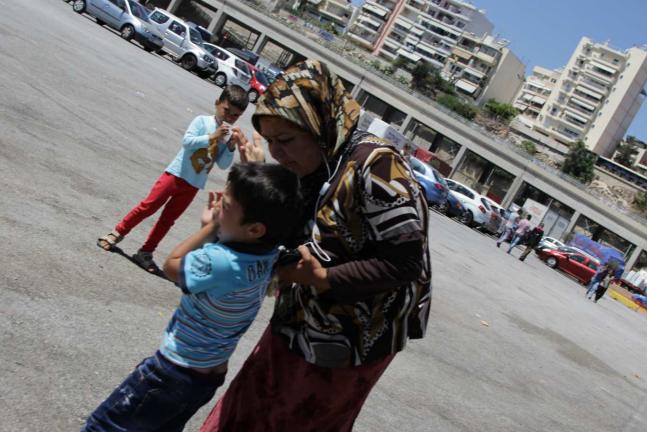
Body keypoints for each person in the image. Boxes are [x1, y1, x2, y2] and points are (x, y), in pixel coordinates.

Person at [198, 60, 432, 432]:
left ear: (319, 125)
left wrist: (323, 276)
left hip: (348, 345)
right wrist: (259, 184)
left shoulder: (378, 165)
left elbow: (405, 264)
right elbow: (292, 234)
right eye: (271, 141)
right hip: (294, 324)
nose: (278, 152)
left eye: (286, 140)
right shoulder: (315, 166)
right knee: (244, 413)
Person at [82, 163, 303, 432]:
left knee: (105, 426)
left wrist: (209, 229)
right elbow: (220, 273)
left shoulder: (219, 261)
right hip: (207, 377)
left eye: (227, 205)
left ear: (255, 229)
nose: (220, 204)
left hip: (172, 371)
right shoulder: (269, 255)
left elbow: (172, 266)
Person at [96, 86, 249, 273]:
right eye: (227, 110)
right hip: (175, 175)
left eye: (235, 115)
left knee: (168, 220)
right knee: (148, 206)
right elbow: (187, 142)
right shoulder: (202, 121)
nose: (230, 117)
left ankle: (146, 252)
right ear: (217, 103)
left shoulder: (227, 136)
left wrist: (231, 146)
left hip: (193, 184)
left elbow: (223, 164)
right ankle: (117, 232)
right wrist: (212, 136)